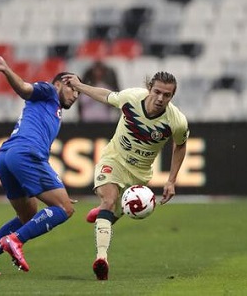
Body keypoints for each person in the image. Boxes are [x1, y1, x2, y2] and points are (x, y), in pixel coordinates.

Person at [61, 71, 189, 281]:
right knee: (109, 201)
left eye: (166, 95)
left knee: (112, 213)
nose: (160, 98)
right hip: (114, 160)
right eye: (157, 92)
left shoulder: (177, 121)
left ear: (172, 97)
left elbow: (181, 145)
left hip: (139, 174)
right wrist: (80, 86)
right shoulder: (131, 98)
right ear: (149, 88)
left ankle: (102, 212)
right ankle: (102, 260)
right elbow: (106, 96)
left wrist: (171, 180)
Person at [0, 52, 80, 275]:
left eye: (78, 90)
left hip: (7, 155)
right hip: (24, 154)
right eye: (72, 88)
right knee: (64, 209)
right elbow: (24, 89)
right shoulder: (48, 91)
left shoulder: (52, 111)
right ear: (58, 83)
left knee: (27, 216)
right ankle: (15, 240)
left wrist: (56, 190)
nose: (76, 94)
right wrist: (6, 69)